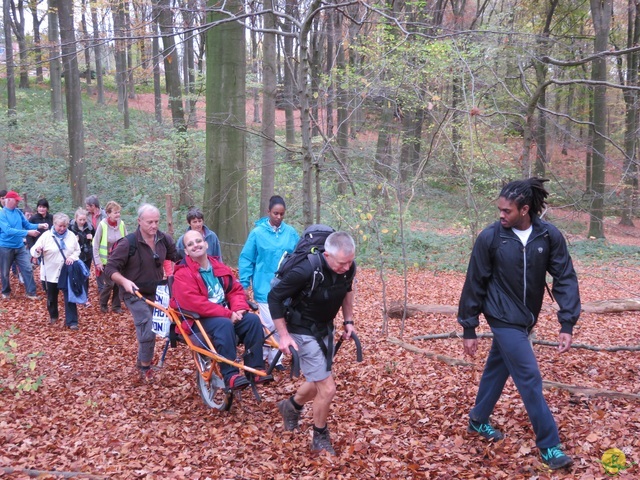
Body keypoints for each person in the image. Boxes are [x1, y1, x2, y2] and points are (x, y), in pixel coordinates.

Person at [457, 177, 580, 471]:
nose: (501, 215)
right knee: (529, 376)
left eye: (507, 211)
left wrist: (567, 323)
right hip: (500, 315)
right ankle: (549, 446)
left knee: (497, 368)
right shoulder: (491, 237)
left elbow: (565, 278)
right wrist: (469, 327)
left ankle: (477, 419)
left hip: (526, 318)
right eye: (499, 209)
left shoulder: (548, 237)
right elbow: (474, 281)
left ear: (525, 210)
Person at [268, 231, 357, 455]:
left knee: (317, 379)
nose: (347, 268)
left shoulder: (348, 267)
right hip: (299, 329)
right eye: (342, 263)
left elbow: (347, 289)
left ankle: (291, 406)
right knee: (327, 388)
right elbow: (274, 297)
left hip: (324, 326)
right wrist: (284, 335)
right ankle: (320, 437)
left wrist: (348, 320)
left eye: (350, 262)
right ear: (327, 255)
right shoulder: (306, 270)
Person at [171, 230, 271, 390]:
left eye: (198, 241)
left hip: (225, 314)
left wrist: (238, 309)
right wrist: (228, 314)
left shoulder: (217, 266)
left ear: (206, 243)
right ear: (186, 251)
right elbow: (195, 304)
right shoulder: (183, 274)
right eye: (190, 244)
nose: (195, 245)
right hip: (198, 320)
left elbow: (235, 290)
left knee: (252, 321)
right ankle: (230, 375)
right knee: (224, 324)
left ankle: (255, 369)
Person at [104, 204, 182, 383]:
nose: (154, 226)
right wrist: (124, 281)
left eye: (156, 221)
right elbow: (110, 268)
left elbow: (176, 256)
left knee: (164, 326)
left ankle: (142, 362)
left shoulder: (164, 239)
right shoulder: (127, 243)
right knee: (147, 326)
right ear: (139, 222)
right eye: (149, 222)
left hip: (157, 291)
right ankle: (145, 368)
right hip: (133, 292)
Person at [239, 195, 299, 371]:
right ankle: (266, 356)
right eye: (275, 213)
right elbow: (247, 258)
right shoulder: (257, 233)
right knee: (269, 323)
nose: (278, 217)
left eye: (281, 214)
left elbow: (297, 256)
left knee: (282, 321)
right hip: (264, 285)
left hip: (285, 286)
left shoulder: (291, 232)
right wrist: (244, 284)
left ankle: (276, 358)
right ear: (268, 212)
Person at [30, 213, 81, 329]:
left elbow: (77, 251)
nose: (62, 229)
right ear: (54, 224)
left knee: (69, 296)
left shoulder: (71, 236)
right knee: (52, 297)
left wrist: (71, 258)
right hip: (50, 272)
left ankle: (72, 321)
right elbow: (33, 252)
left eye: (64, 226)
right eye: (60, 226)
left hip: (67, 271)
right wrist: (38, 250)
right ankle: (53, 315)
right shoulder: (46, 236)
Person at [0, 191, 48, 300]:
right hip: (5, 247)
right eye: (16, 200)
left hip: (19, 246)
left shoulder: (18, 212)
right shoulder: (2, 214)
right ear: (9, 200)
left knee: (27, 268)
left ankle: (31, 292)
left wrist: (39, 225)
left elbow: (27, 224)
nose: (17, 202)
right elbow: (8, 230)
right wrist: (27, 233)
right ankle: (6, 292)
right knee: (4, 271)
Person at [93, 201, 127, 313]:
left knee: (118, 283)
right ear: (108, 213)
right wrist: (97, 261)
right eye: (115, 212)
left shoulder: (121, 224)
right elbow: (96, 244)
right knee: (109, 284)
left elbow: (127, 241)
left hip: (119, 260)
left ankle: (116, 306)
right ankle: (103, 303)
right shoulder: (102, 225)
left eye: (119, 212)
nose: (118, 215)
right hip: (106, 260)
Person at [69, 207, 95, 304]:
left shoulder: (90, 227)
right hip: (76, 255)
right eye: (80, 219)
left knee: (85, 275)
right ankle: (77, 294)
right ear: (76, 218)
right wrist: (74, 240)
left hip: (87, 254)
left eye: (84, 219)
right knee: (76, 275)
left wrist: (91, 238)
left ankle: (85, 297)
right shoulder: (71, 228)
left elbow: (96, 238)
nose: (82, 221)